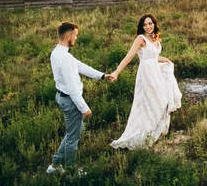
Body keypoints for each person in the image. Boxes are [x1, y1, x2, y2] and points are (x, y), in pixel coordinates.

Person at [47, 22, 116, 176]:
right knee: (73, 139)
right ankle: (71, 172)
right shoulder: (64, 58)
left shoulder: (58, 53)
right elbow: (72, 88)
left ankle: (55, 164)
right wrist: (84, 108)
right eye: (75, 35)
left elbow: (81, 66)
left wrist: (102, 76)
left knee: (70, 134)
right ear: (68, 36)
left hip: (62, 97)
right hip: (70, 100)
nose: (76, 38)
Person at [110, 14, 182, 149]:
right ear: (141, 27)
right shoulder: (140, 39)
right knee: (148, 104)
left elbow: (153, 56)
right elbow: (129, 57)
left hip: (156, 73)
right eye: (145, 25)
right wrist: (116, 72)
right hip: (146, 75)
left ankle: (155, 131)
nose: (148, 27)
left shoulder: (155, 38)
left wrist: (165, 59)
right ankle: (142, 134)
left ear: (154, 24)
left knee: (161, 101)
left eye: (150, 23)